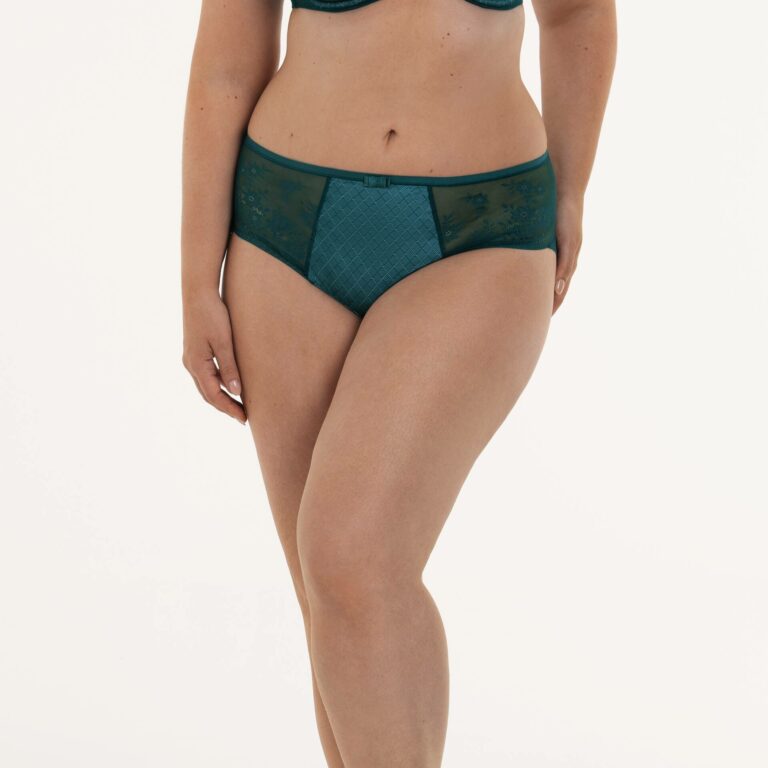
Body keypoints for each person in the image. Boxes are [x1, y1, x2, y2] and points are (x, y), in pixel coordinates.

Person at [181, 0, 617, 765]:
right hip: (285, 226)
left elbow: (577, 13)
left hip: (482, 229)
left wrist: (574, 186)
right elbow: (225, 64)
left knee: (352, 557)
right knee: (332, 601)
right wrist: (195, 280)